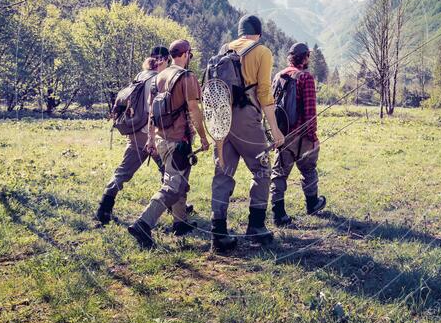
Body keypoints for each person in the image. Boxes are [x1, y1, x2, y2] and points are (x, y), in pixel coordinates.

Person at [209, 15, 285, 252]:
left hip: (220, 118)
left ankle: (218, 231)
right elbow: (264, 92)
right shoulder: (262, 51)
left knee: (223, 173)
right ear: (259, 33)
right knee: (262, 167)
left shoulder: (224, 49)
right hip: (246, 118)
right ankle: (256, 226)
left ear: (240, 32)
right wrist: (275, 130)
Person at [128, 39, 210, 248]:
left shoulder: (157, 78)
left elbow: (151, 113)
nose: (190, 58)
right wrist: (202, 136)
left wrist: (150, 139)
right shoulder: (187, 77)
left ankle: (180, 223)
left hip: (160, 139)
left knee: (179, 180)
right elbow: (194, 110)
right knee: (173, 185)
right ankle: (143, 223)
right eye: (190, 54)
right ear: (185, 54)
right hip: (179, 141)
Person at [95, 46, 170, 226]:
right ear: (165, 60)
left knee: (123, 171)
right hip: (154, 136)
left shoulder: (139, 76)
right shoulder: (160, 80)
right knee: (170, 173)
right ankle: (176, 209)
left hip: (135, 134)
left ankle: (104, 208)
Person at [269, 42, 327, 226]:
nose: (309, 58)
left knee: (279, 174)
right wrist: (314, 137)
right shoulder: (306, 78)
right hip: (302, 135)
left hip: (282, 133)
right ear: (304, 58)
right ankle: (312, 204)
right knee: (308, 169)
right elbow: (310, 112)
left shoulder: (279, 76)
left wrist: (275, 132)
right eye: (308, 55)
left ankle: (278, 214)